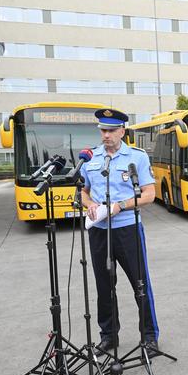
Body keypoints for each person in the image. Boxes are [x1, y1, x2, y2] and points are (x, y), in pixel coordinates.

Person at [80, 108, 160, 356]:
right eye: (103, 130)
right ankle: (108, 336)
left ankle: (149, 337)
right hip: (99, 231)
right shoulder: (91, 158)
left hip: (127, 229)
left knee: (140, 284)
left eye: (111, 131)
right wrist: (90, 204)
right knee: (104, 287)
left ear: (122, 131)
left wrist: (121, 206)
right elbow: (82, 191)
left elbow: (149, 194)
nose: (106, 135)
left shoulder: (136, 157)